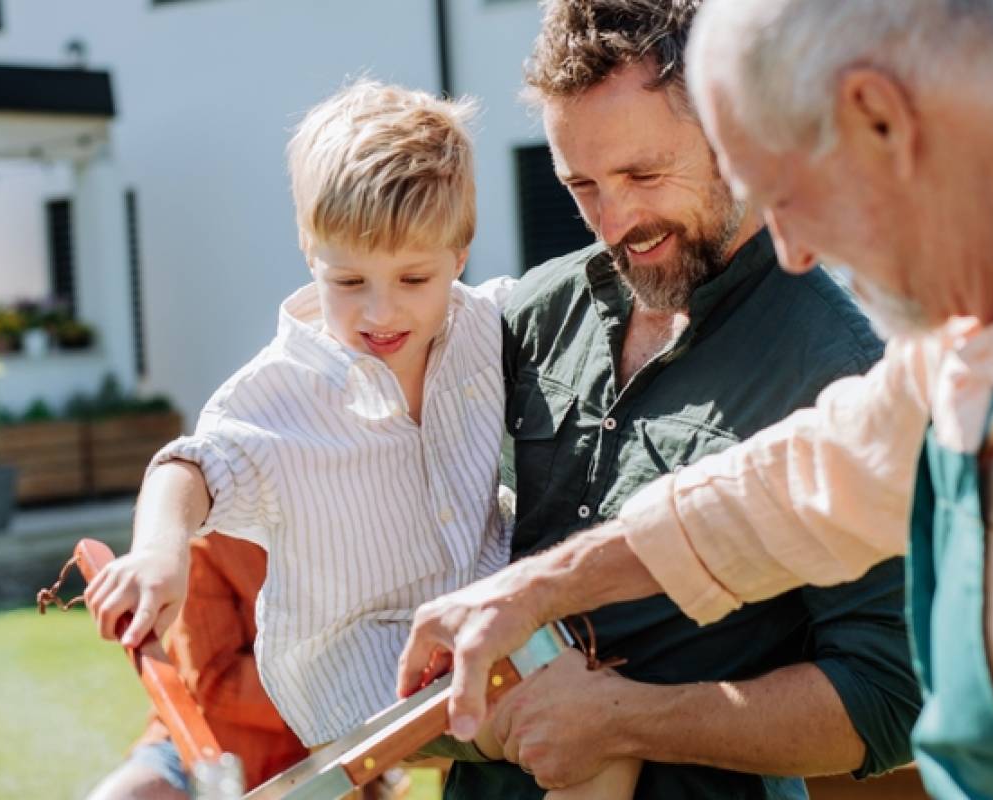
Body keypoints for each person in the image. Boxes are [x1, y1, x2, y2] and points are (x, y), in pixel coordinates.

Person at [399, 1, 993, 798]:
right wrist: (539, 587)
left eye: (787, 193)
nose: (796, 251)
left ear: (878, 117)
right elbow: (810, 481)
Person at [416, 2, 922, 798]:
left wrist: (628, 721)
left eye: (644, 176)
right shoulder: (534, 312)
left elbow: (887, 700)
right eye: (582, 185)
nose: (615, 221)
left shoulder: (844, 372)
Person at [84, 78, 637, 798]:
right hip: (358, 666)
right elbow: (187, 467)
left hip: (476, 623)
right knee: (581, 731)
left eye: (413, 278)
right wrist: (160, 551)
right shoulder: (280, 393)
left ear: (459, 254)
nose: (381, 312)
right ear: (309, 250)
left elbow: (586, 300)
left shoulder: (485, 325)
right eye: (348, 282)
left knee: (605, 703)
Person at [86, 534, 307, 800]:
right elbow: (217, 682)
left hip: (313, 755)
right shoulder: (209, 539)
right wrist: (322, 683)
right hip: (197, 748)